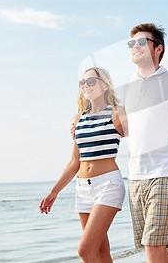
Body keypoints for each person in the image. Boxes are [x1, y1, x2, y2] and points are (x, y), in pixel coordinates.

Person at [115, 23, 168, 263]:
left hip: (166, 171)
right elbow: (124, 130)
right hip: (136, 176)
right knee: (156, 247)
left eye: (141, 42)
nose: (134, 47)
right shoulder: (127, 88)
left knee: (152, 246)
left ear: (158, 49)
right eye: (131, 44)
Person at [39, 67, 125, 263]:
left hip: (108, 186)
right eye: (83, 83)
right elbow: (74, 162)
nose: (86, 86)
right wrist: (54, 192)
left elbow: (140, 137)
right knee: (100, 252)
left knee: (85, 250)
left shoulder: (117, 113)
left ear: (104, 85)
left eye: (91, 81)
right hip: (83, 190)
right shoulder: (78, 119)